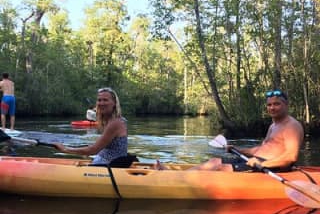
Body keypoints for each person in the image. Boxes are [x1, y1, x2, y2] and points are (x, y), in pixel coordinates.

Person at [155, 89, 304, 172]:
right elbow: (261, 148)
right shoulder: (273, 125)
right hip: (254, 161)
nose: (272, 108)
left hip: (270, 166)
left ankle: (173, 177)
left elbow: (291, 157)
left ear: (286, 105)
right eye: (269, 105)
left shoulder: (292, 126)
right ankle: (175, 175)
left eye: (276, 104)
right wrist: (238, 149)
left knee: (220, 167)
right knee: (213, 161)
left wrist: (263, 164)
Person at [54, 87, 128, 166]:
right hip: (107, 163)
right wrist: (87, 149)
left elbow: (93, 150)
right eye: (99, 100)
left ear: (114, 103)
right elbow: (107, 146)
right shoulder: (116, 120)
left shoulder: (115, 123)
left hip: (109, 166)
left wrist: (65, 149)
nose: (101, 103)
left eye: (105, 100)